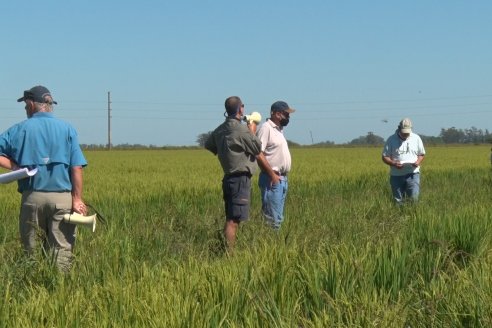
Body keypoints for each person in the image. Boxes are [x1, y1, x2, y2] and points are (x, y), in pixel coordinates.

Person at [0, 85, 88, 272]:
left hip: (33, 198)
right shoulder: (67, 129)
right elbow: (76, 167)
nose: (25, 109)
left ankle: (32, 288)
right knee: (62, 252)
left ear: (32, 104)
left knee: (30, 252)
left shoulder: (19, 129)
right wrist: (77, 199)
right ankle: (60, 291)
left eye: (25, 105)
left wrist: (15, 166)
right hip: (63, 199)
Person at [205, 96, 279, 253]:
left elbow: (209, 145)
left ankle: (226, 250)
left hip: (228, 178)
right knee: (234, 220)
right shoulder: (241, 129)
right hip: (240, 179)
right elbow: (257, 147)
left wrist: (227, 151)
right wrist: (251, 130)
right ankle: (229, 255)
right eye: (243, 106)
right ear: (240, 109)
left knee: (231, 217)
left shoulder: (220, 130)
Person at [256, 101, 295, 230]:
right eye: (286, 114)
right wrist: (272, 175)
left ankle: (274, 245)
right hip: (271, 179)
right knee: (272, 220)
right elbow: (258, 153)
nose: (288, 117)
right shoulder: (266, 128)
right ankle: (270, 246)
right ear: (277, 114)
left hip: (281, 179)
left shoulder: (279, 130)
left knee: (277, 218)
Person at [382, 118, 426, 205]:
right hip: (396, 175)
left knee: (414, 199)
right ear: (399, 128)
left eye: (407, 132)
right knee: (398, 201)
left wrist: (418, 162)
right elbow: (384, 157)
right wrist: (394, 163)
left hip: (413, 174)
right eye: (403, 132)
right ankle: (399, 216)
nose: (405, 134)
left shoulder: (416, 138)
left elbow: (421, 154)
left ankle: (413, 215)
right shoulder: (391, 139)